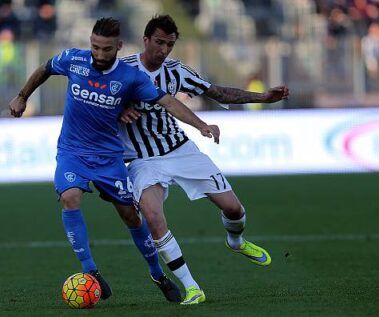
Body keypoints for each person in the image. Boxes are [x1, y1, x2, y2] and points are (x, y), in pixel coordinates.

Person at [8, 17, 221, 303]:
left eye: (106, 49)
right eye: (95, 47)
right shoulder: (74, 59)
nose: (99, 54)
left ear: (118, 47)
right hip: (73, 152)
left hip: (110, 156)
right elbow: (45, 68)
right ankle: (91, 272)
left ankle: (157, 273)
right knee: (69, 197)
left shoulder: (130, 78)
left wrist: (200, 124)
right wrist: (22, 96)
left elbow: (168, 102)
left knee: (131, 216)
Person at [119, 15, 289, 305]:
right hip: (141, 160)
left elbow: (217, 92)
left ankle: (235, 241)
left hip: (180, 150)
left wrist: (264, 97)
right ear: (146, 40)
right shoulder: (121, 71)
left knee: (233, 209)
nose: (163, 50)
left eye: (169, 44)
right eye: (159, 42)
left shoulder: (177, 72)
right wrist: (117, 112)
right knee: (153, 216)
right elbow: (95, 105)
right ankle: (192, 287)